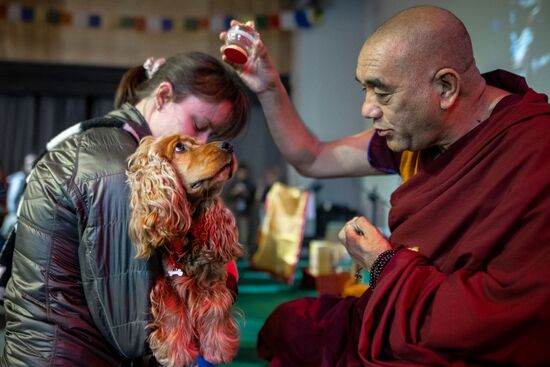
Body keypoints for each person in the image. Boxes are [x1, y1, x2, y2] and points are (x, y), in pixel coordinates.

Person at [220, 5, 550, 366]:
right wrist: (269, 87)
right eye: (364, 90)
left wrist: (383, 264)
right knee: (290, 325)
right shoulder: (422, 136)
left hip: (468, 338)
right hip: (407, 307)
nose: (367, 109)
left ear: (446, 87)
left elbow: (514, 316)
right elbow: (312, 157)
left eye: (382, 93)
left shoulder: (533, 151)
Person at [0, 52, 250, 366]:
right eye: (198, 126)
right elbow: (134, 332)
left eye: (210, 135)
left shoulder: (106, 144)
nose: (201, 142)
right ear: (162, 96)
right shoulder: (120, 170)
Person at [0, 152, 36, 241]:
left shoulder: (29, 179)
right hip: (14, 218)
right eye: (30, 164)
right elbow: (11, 203)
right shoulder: (19, 179)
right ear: (24, 165)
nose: (32, 167)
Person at [225, 162, 257, 258]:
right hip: (234, 215)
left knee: (244, 237)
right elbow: (227, 197)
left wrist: (244, 192)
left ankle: (246, 256)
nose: (241, 175)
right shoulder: (233, 183)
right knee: (235, 237)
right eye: (239, 172)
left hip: (245, 215)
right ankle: (238, 256)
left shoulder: (250, 183)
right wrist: (234, 192)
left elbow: (252, 197)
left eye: (243, 172)